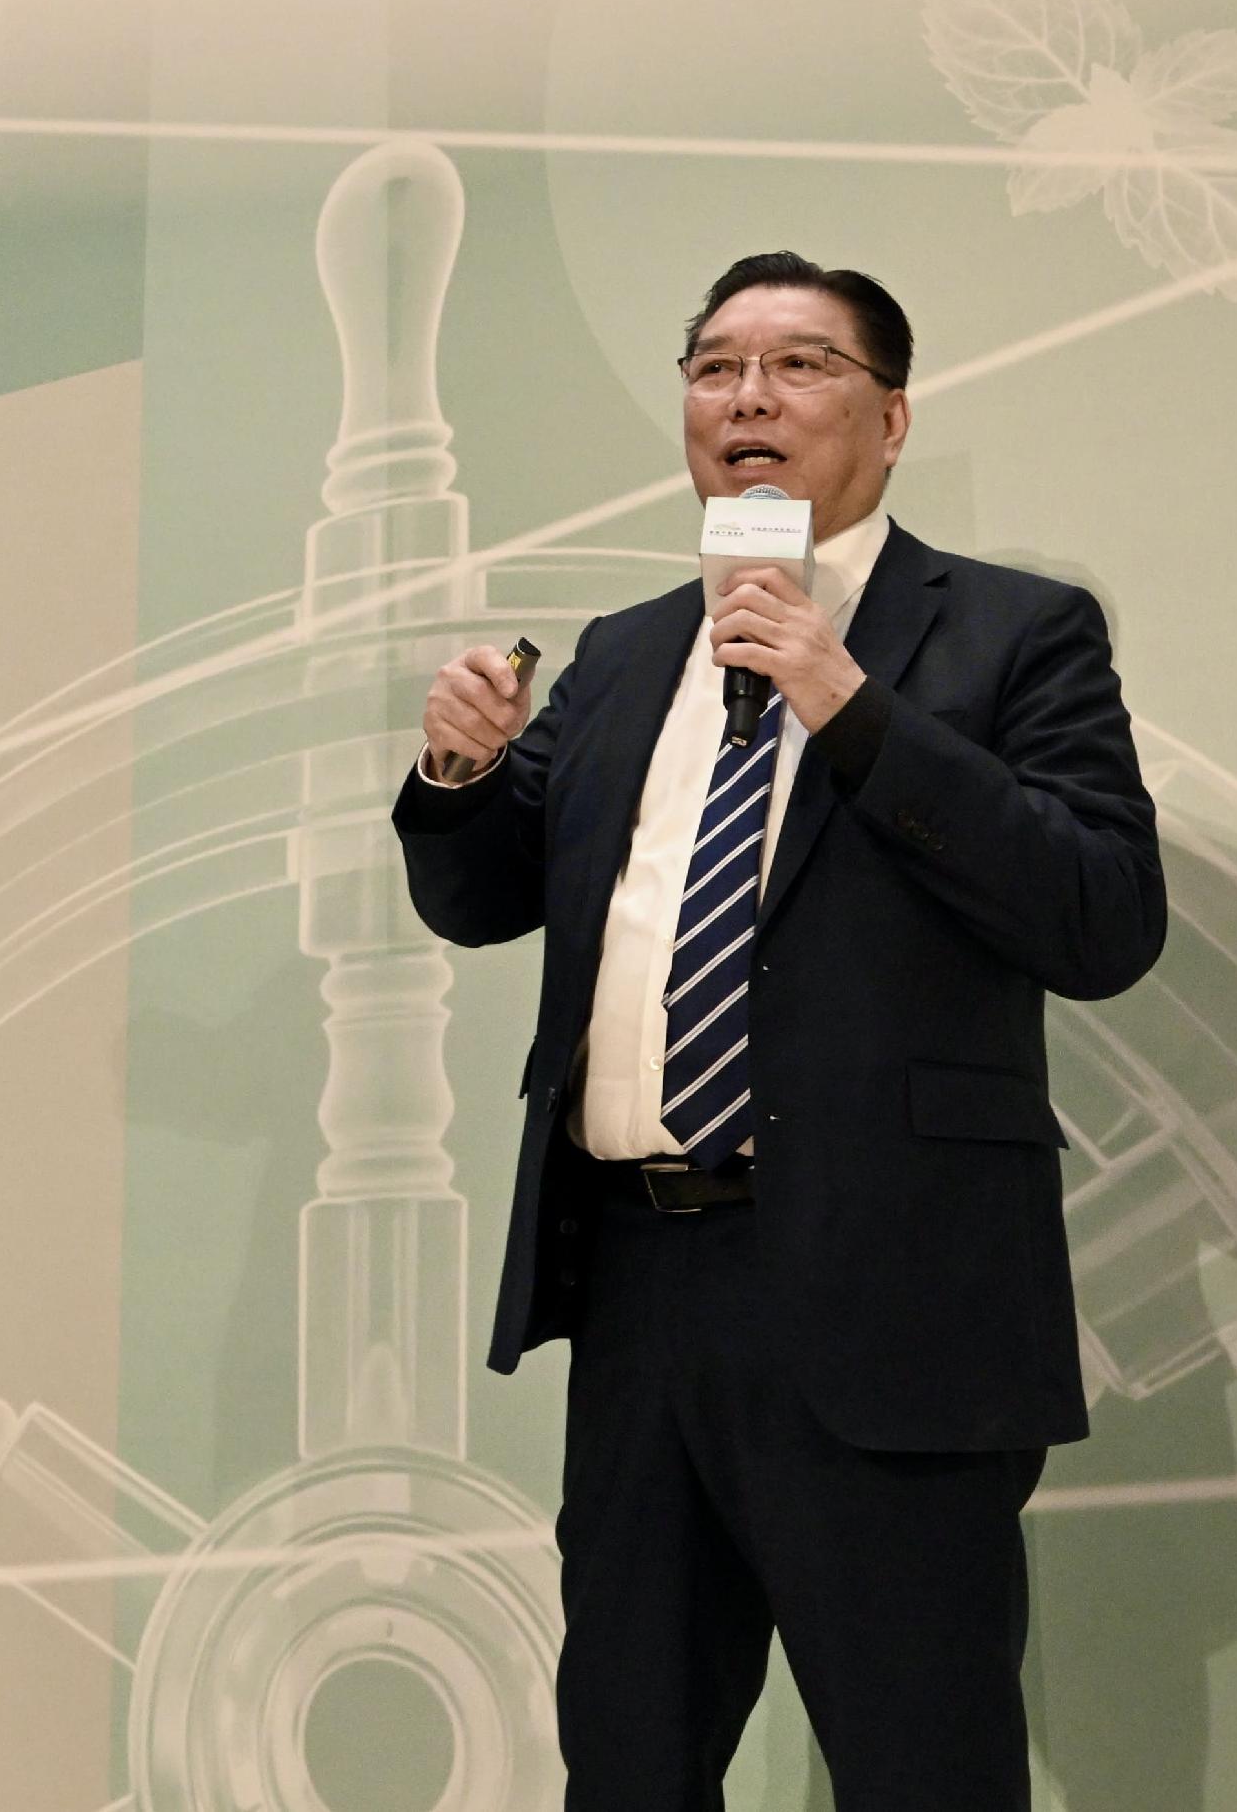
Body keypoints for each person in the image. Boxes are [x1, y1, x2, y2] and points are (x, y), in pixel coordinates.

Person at [396, 250, 1164, 1811]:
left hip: (890, 1294)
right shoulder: (621, 656)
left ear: (889, 420)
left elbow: (1101, 919)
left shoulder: (1013, 635)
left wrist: (849, 702)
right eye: (714, 366)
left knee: (919, 1762)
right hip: (639, 1284)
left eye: (800, 365)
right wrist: (465, 777)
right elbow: (483, 902)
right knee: (627, 1753)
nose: (748, 395)